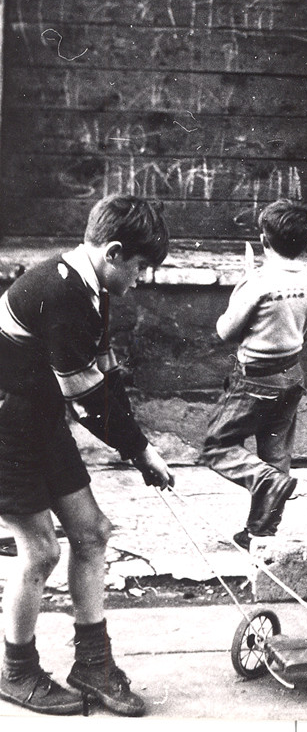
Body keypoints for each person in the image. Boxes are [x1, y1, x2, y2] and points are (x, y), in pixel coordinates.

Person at [0, 194, 174, 717]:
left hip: (38, 423)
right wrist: (141, 450)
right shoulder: (63, 291)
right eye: (140, 268)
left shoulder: (91, 290)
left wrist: (140, 445)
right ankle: (16, 671)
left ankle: (92, 664)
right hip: (4, 431)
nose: (141, 279)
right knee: (41, 551)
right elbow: (88, 399)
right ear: (115, 251)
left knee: (92, 532)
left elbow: (105, 379)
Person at [200, 199, 307, 555]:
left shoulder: (258, 283)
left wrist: (243, 284)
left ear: (264, 241)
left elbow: (225, 331)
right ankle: (259, 534)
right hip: (291, 375)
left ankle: (266, 482)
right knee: (276, 454)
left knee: (217, 446)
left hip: (254, 380)